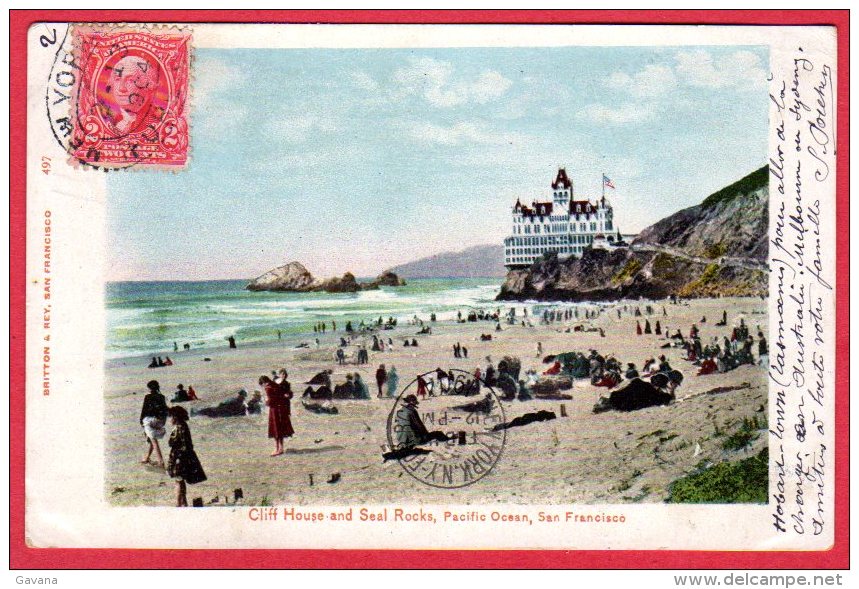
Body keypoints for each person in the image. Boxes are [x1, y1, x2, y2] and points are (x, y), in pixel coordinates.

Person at [100, 54, 164, 136]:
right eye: (117, 79)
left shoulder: (158, 122)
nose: (121, 88)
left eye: (130, 80)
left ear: (148, 86)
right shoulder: (115, 121)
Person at [166, 406, 207, 507]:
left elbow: (183, 445)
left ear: (175, 417)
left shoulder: (180, 427)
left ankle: (179, 503)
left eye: (171, 417)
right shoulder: (182, 426)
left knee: (179, 481)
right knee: (180, 481)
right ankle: (182, 502)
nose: (170, 419)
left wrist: (178, 459)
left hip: (180, 459)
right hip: (181, 457)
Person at [260, 375, 293, 456]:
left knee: (276, 429)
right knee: (280, 429)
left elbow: (271, 401)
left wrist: (266, 402)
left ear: (263, 382)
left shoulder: (268, 388)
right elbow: (287, 394)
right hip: (282, 410)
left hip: (274, 411)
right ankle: (280, 447)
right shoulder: (276, 385)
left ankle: (278, 448)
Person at [140, 380, 168, 467]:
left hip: (150, 420)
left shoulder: (147, 397)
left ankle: (161, 462)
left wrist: (141, 421)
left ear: (149, 389)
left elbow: (144, 410)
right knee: (152, 438)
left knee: (153, 440)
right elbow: (165, 410)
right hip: (161, 420)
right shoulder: (162, 396)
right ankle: (147, 457)